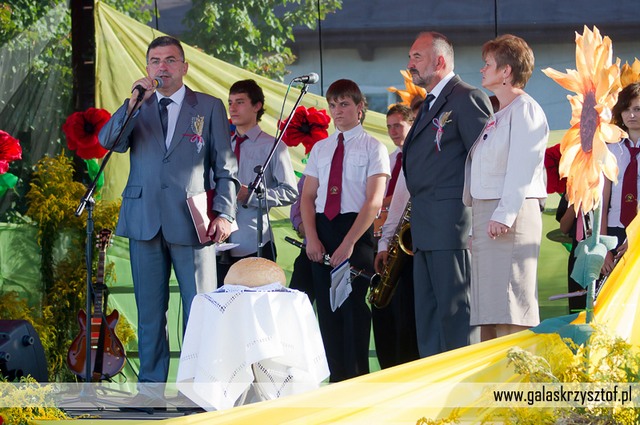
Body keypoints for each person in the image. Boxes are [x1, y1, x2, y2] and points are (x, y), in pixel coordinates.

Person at [99, 36, 239, 409]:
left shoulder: (208, 106)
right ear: (147, 68)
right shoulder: (137, 106)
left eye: (170, 60)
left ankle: (199, 392)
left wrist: (225, 213)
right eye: (155, 61)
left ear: (184, 67)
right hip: (144, 219)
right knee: (149, 314)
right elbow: (109, 142)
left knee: (200, 311)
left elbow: (226, 166)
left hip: (193, 223)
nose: (162, 67)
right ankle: (150, 393)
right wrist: (131, 103)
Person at [403, 31, 492, 357]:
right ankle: (437, 385)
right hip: (425, 227)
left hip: (453, 226)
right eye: (410, 57)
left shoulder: (466, 97)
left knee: (456, 321)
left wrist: (479, 223)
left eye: (417, 57)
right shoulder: (429, 103)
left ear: (439, 61)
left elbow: (486, 162)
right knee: (429, 323)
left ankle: (464, 385)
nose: (410, 64)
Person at [301, 79, 390, 381]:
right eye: (332, 105)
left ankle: (357, 382)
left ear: (360, 108)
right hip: (322, 232)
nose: (337, 111)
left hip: (356, 232)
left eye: (344, 104)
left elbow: (373, 202)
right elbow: (308, 197)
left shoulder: (374, 147)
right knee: (328, 315)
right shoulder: (321, 149)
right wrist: (312, 238)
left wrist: (349, 243)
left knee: (353, 313)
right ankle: (335, 382)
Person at [463, 34, 548, 340]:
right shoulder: (499, 113)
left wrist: (504, 214)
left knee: (511, 304)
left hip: (510, 215)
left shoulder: (525, 109)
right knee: (490, 308)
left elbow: (522, 167)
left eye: (488, 64)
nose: (482, 69)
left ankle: (517, 370)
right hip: (490, 215)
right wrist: (479, 222)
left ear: (506, 71)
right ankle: (493, 371)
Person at [216, 79, 298, 283]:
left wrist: (252, 195)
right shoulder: (221, 146)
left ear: (257, 106)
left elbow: (290, 192)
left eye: (240, 102)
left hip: (254, 242)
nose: (233, 108)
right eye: (230, 102)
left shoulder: (273, 146)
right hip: (219, 244)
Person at [371, 104, 419, 369]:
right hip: (385, 238)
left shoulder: (417, 157)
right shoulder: (388, 161)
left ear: (412, 124)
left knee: (406, 312)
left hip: (409, 240)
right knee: (385, 311)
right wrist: (383, 241)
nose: (393, 132)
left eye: (398, 125)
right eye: (389, 127)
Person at [601, 82, 640, 275]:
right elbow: (601, 201)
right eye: (626, 109)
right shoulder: (609, 149)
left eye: (637, 109)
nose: (631, 115)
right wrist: (603, 247)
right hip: (614, 230)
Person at [288, 174, 315, 303]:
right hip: (309, 251)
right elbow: (296, 208)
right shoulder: (313, 168)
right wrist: (311, 235)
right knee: (295, 306)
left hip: (342, 255)